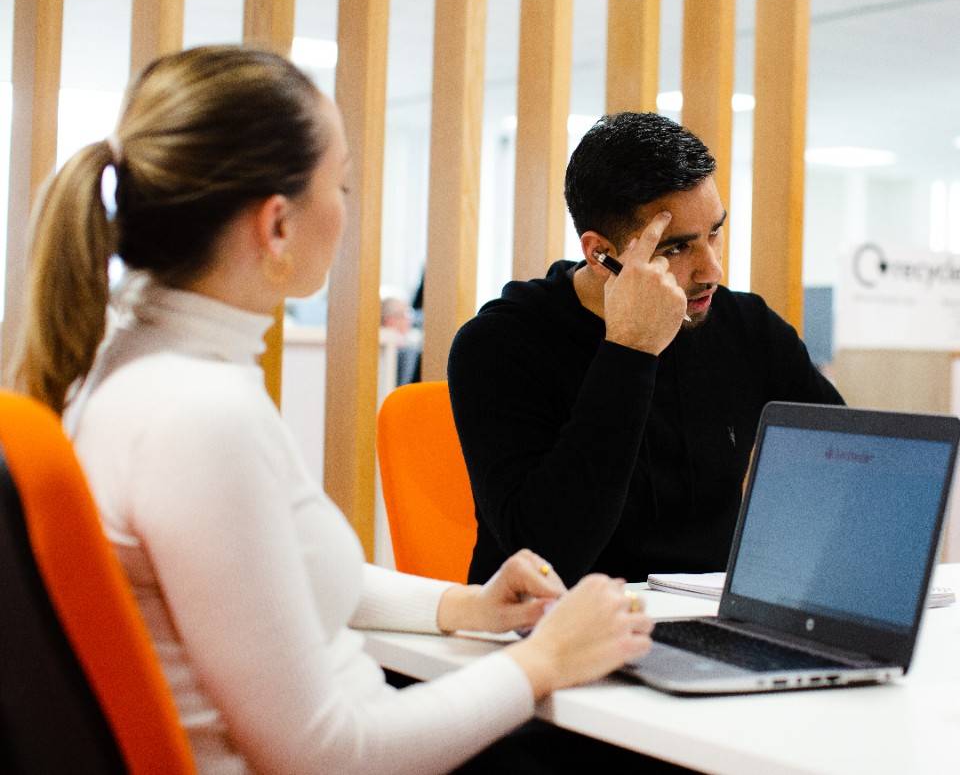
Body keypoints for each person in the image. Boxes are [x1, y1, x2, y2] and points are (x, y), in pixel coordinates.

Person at [11, 45, 653, 773]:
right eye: (341, 184)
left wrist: (462, 605)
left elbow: (272, 574)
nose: (348, 210)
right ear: (277, 226)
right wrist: (543, 660)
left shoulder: (133, 367)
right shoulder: (199, 416)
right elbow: (329, 754)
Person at [448, 112, 843, 586]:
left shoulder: (748, 327)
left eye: (714, 232)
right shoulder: (500, 345)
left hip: (705, 615)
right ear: (600, 254)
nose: (711, 270)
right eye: (676, 248)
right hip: (554, 620)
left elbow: (846, 462)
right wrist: (630, 350)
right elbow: (547, 558)